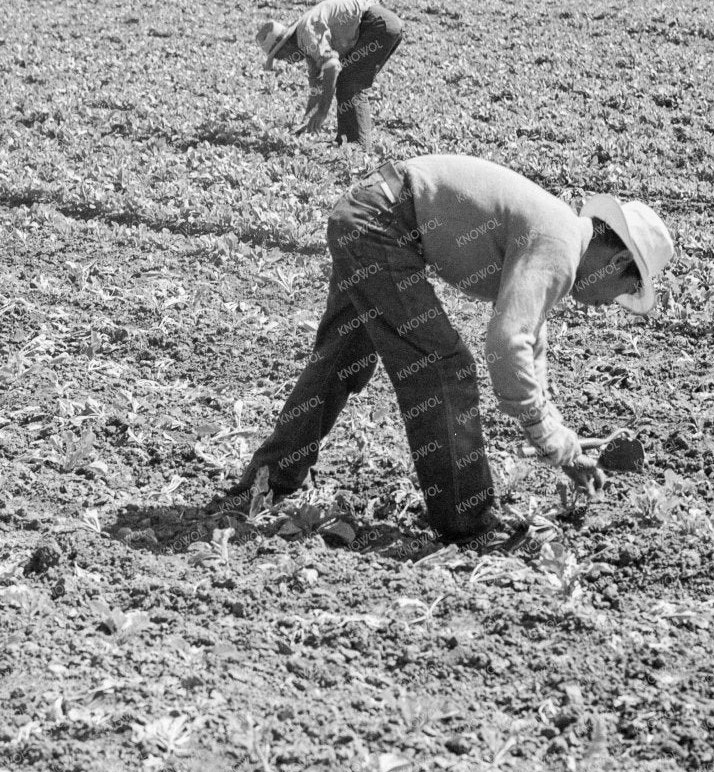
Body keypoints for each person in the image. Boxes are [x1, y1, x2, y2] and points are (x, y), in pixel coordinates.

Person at [221, 154, 674, 546]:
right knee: (444, 369)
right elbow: (505, 343)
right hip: (380, 224)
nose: (611, 303)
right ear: (616, 263)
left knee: (341, 360)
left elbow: (530, 340)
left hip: (366, 211)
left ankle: (263, 485)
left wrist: (561, 441)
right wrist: (543, 431)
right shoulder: (559, 248)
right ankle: (468, 525)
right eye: (626, 289)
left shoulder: (560, 233)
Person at [255, 0, 404, 146]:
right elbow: (318, 83)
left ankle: (357, 145)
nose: (285, 61)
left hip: (379, 24)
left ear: (285, 45)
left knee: (349, 82)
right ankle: (348, 142)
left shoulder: (306, 32)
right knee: (347, 79)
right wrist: (310, 119)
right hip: (382, 25)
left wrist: (322, 112)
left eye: (280, 56)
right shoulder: (306, 45)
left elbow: (332, 67)